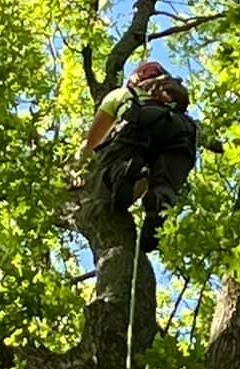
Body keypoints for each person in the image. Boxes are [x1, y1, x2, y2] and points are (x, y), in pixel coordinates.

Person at [82, 58, 198, 252]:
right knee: (167, 177)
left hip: (142, 119)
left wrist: (79, 165)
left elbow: (92, 142)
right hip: (181, 129)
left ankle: (124, 171)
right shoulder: (169, 94)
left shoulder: (122, 94)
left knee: (112, 161)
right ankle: (161, 200)